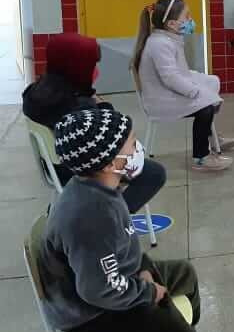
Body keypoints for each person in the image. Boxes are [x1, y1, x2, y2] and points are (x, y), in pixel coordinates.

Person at [34, 108, 232, 332]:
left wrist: (142, 268)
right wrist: (146, 289)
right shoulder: (89, 215)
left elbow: (120, 249)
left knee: (184, 273)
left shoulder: (101, 188)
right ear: (109, 161)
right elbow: (100, 289)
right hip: (90, 310)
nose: (137, 148)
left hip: (114, 281)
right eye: (131, 143)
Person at [23, 32, 166, 213]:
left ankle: (76, 208)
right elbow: (111, 136)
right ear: (76, 66)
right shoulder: (77, 105)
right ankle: (108, 213)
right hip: (84, 170)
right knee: (154, 173)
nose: (95, 70)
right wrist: (101, 104)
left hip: (55, 167)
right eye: (91, 65)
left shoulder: (35, 92)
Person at [132, 0, 234, 173]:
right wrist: (193, 91)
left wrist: (198, 84)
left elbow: (177, 73)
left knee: (210, 84)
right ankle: (201, 157)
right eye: (186, 17)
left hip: (166, 91)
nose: (190, 20)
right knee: (206, 107)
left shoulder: (166, 38)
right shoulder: (159, 44)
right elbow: (171, 78)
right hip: (160, 100)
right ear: (172, 24)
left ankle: (211, 137)